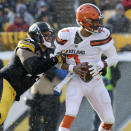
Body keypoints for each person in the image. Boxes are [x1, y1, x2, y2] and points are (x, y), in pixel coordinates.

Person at [54, 3, 118, 131]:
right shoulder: (66, 35)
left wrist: (100, 65)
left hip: (95, 81)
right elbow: (54, 61)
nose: (97, 24)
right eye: (93, 21)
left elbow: (114, 58)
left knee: (109, 120)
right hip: (75, 79)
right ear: (83, 21)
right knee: (70, 114)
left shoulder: (102, 35)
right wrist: (73, 68)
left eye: (98, 21)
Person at [0, 21, 66, 125]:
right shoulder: (27, 44)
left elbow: (65, 61)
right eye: (45, 34)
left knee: (1, 120)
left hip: (13, 90)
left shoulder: (50, 52)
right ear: (36, 36)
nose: (49, 37)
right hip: (4, 83)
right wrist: (56, 59)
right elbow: (32, 67)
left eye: (49, 34)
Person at [26, 44, 67, 131]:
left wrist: (49, 68)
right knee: (33, 127)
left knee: (50, 127)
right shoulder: (33, 54)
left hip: (51, 97)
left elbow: (63, 74)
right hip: (35, 96)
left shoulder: (59, 56)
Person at [93, 55, 121, 131]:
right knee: (97, 113)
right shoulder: (96, 61)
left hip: (108, 91)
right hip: (97, 91)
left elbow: (118, 75)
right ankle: (96, 128)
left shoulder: (112, 62)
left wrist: (111, 81)